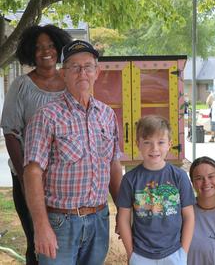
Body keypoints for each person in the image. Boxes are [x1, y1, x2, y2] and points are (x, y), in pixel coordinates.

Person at [23, 40, 123, 264]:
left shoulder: (107, 115)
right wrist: (41, 226)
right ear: (63, 73)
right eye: (74, 67)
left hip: (99, 219)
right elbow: (32, 173)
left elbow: (114, 166)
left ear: (97, 72)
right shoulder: (47, 116)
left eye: (88, 66)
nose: (82, 73)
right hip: (60, 223)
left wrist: (123, 212)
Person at [0, 24, 72, 265]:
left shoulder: (71, 82)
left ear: (59, 48)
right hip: (30, 176)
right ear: (31, 51)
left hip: (65, 179)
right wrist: (23, 176)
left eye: (51, 46)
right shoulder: (21, 86)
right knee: (38, 241)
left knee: (67, 238)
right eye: (39, 47)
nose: (46, 51)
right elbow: (10, 132)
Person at [117, 115, 195, 265]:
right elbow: (123, 218)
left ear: (169, 144)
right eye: (147, 142)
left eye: (160, 142)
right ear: (137, 144)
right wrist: (130, 253)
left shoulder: (179, 176)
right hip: (140, 254)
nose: (154, 149)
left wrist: (183, 252)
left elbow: (189, 216)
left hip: (174, 252)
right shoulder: (130, 179)